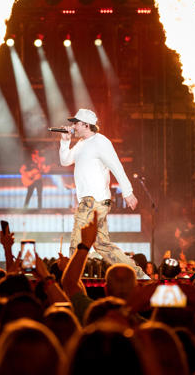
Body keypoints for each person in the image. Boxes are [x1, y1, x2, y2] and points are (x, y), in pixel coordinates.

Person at [59, 108, 148, 279]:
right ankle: (139, 276)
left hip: (94, 200)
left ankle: (70, 279)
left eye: (76, 123)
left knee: (78, 238)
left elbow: (116, 166)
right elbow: (65, 161)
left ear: (86, 125)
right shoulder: (81, 144)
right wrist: (65, 142)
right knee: (102, 244)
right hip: (90, 200)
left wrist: (128, 192)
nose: (73, 126)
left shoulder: (101, 142)